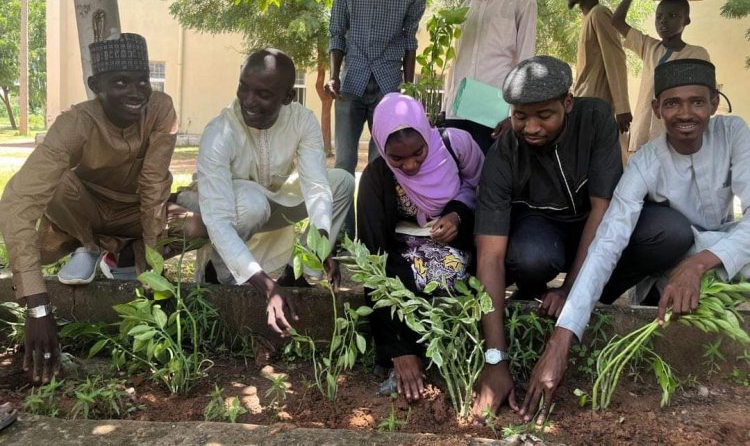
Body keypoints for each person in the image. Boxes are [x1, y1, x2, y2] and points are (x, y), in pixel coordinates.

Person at [519, 58, 750, 424]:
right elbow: (608, 241)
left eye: (697, 101)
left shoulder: (734, 133)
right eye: (672, 103)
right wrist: (562, 338)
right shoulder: (645, 161)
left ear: (714, 103)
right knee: (676, 235)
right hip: (672, 259)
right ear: (657, 109)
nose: (685, 113)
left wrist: (699, 263)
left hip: (719, 250)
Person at [470, 55, 688, 418]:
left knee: (671, 231)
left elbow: (603, 209)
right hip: (544, 234)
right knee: (529, 255)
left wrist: (571, 291)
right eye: (520, 116)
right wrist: (495, 359)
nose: (531, 128)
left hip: (598, 227)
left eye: (544, 115)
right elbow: (489, 256)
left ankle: (590, 295)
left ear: (567, 103)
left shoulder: (596, 118)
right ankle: (537, 292)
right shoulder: (503, 152)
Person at [0, 33, 178, 383]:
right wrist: (37, 306)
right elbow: (19, 201)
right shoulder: (76, 123)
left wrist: (156, 280)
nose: (136, 92)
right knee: (50, 182)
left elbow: (154, 187)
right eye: (120, 82)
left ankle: (127, 255)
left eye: (142, 80)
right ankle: (91, 246)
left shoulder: (160, 109)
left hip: (133, 213)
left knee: (194, 225)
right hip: (85, 213)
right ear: (95, 85)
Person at [175, 48, 354, 336]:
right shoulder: (219, 133)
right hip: (223, 205)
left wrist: (323, 243)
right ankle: (225, 277)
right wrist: (264, 285)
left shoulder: (301, 120)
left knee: (341, 181)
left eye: (263, 94)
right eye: (243, 88)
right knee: (252, 201)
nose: (248, 100)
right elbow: (218, 219)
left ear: (287, 98)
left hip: (270, 200)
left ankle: (306, 270)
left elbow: (317, 185)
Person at [358, 93, 484, 401]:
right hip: (401, 253)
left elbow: (483, 189)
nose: (410, 165)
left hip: (457, 246)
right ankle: (402, 358)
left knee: (440, 274)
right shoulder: (377, 177)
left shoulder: (457, 145)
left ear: (427, 132)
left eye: (418, 153)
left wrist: (458, 214)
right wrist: (397, 350)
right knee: (397, 274)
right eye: (397, 159)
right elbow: (371, 257)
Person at [327, 0, 427, 176]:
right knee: (344, 163)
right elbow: (337, 31)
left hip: (388, 85)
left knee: (380, 164)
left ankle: (374, 220)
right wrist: (334, 75)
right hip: (351, 83)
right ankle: (341, 220)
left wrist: (407, 85)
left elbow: (410, 40)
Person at [440, 0, 537, 153]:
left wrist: (514, 114)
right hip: (459, 110)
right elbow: (457, 60)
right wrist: (446, 108)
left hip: (494, 112)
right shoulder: (468, 4)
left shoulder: (522, 1)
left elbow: (525, 61)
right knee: (457, 179)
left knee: (489, 179)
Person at [612, 0, 711, 153]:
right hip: (642, 135)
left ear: (687, 20)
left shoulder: (697, 54)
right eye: (659, 17)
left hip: (674, 141)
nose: (663, 21)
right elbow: (616, 20)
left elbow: (701, 97)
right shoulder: (649, 47)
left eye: (673, 16)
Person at [566, 0, 632, 136]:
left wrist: (622, 107)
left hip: (597, 105)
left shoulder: (599, 13)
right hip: (584, 103)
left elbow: (616, 59)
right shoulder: (588, 17)